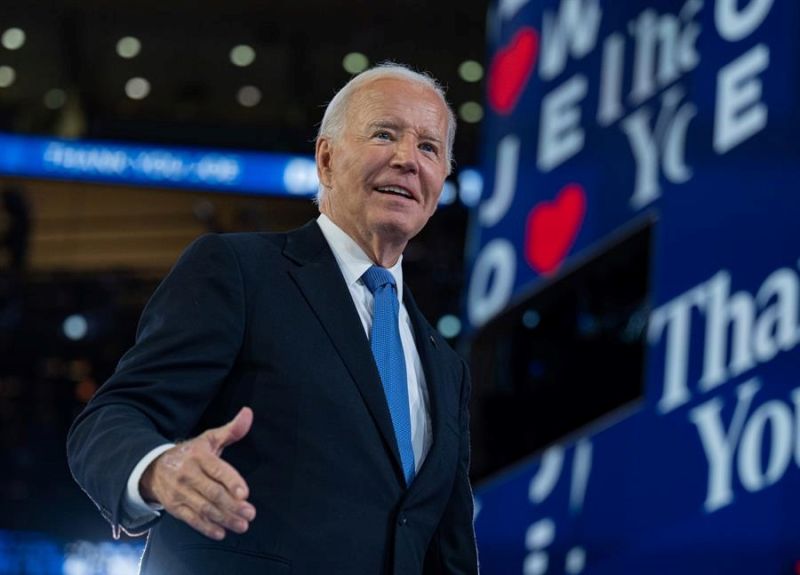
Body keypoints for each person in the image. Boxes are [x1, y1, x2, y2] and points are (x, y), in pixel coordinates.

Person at [67, 63, 479, 575]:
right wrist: (157, 468)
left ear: (441, 181)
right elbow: (113, 417)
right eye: (384, 134)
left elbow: (449, 548)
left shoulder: (446, 367)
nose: (407, 160)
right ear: (326, 160)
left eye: (429, 148)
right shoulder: (240, 271)